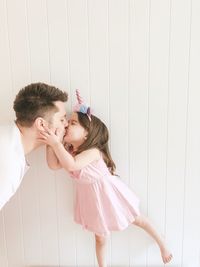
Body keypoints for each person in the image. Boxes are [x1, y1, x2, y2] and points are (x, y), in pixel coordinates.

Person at [39, 90, 172, 267]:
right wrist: (51, 145)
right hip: (92, 200)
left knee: (136, 218)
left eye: (72, 123)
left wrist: (56, 144)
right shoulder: (69, 151)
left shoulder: (93, 152)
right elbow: (54, 165)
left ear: (87, 133)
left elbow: (71, 165)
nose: (66, 126)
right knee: (100, 239)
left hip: (109, 193)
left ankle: (161, 242)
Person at [0, 82, 68, 210]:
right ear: (41, 124)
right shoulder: (9, 162)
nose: (66, 125)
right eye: (62, 119)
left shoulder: (6, 137)